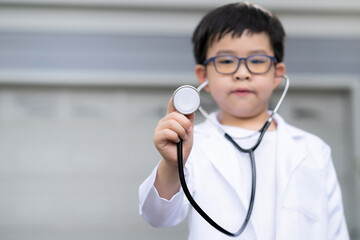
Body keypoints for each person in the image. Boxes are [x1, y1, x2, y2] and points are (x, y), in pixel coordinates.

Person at [138, 2, 349, 239]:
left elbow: (335, 230)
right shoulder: (192, 146)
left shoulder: (313, 150)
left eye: (257, 61)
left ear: (277, 74)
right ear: (203, 76)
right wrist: (172, 164)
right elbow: (157, 216)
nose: (242, 73)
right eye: (226, 61)